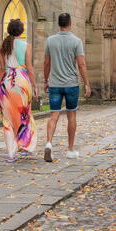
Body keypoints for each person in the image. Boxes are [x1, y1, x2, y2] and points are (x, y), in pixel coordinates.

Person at [43, 12, 90, 162]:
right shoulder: (76, 41)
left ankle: (49, 143)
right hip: (71, 84)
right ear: (70, 24)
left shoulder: (50, 41)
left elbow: (46, 63)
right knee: (71, 115)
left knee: (53, 115)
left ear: (58, 24)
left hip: (55, 84)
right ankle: (70, 149)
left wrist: (46, 80)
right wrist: (87, 83)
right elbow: (81, 64)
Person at [0, 18, 37, 163]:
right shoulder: (26, 45)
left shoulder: (2, 46)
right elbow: (30, 68)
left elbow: (2, 69)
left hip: (7, 82)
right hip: (22, 82)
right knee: (25, 114)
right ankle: (25, 145)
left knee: (7, 118)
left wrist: (0, 86)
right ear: (21, 30)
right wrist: (34, 85)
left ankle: (10, 153)